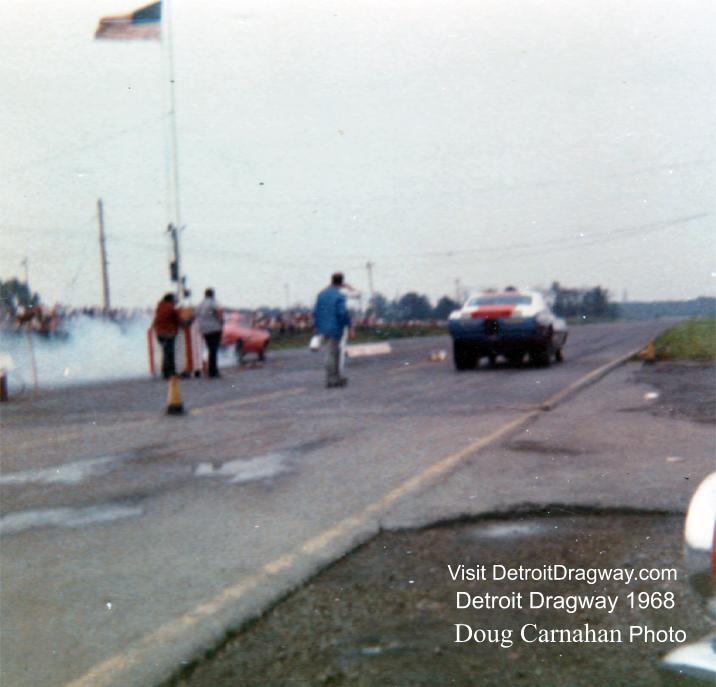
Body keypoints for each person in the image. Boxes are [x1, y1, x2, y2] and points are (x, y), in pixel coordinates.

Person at [313, 272, 352, 388]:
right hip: (335, 327)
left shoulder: (321, 294)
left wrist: (317, 327)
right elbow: (342, 313)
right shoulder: (340, 296)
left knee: (333, 352)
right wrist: (349, 325)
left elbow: (315, 312)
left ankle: (336, 377)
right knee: (332, 353)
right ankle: (332, 379)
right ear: (341, 282)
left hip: (322, 327)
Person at [196, 288, 224, 378]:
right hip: (214, 328)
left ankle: (210, 370)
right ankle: (213, 371)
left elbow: (195, 314)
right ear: (212, 294)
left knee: (210, 349)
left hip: (204, 330)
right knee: (214, 350)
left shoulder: (200, 304)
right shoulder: (212, 302)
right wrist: (221, 321)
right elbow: (219, 311)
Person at [153, 293, 180, 379]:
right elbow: (178, 319)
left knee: (165, 353)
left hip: (159, 333)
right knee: (169, 353)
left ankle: (165, 372)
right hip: (169, 332)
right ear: (171, 300)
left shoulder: (159, 306)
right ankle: (171, 372)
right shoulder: (170, 307)